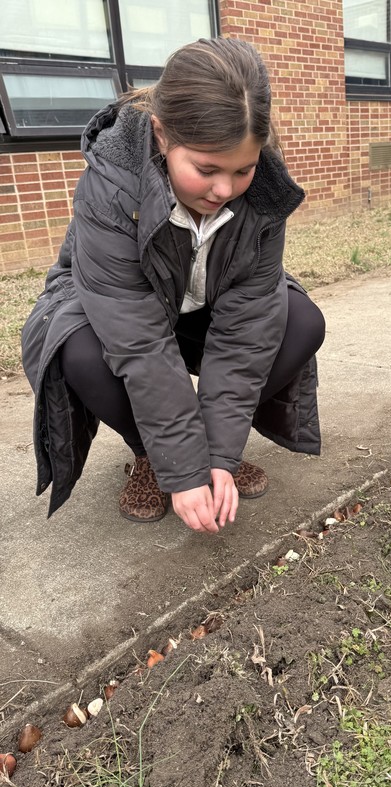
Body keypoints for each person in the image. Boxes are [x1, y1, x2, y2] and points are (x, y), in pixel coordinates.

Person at [21, 37, 325, 533]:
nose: (224, 189)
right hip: (117, 314)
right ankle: (152, 455)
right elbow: (137, 339)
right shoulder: (111, 184)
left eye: (242, 169)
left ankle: (207, 450)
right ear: (162, 135)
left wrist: (219, 458)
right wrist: (180, 470)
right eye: (206, 169)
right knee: (76, 350)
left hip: (201, 308)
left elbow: (248, 330)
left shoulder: (266, 190)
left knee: (300, 322)